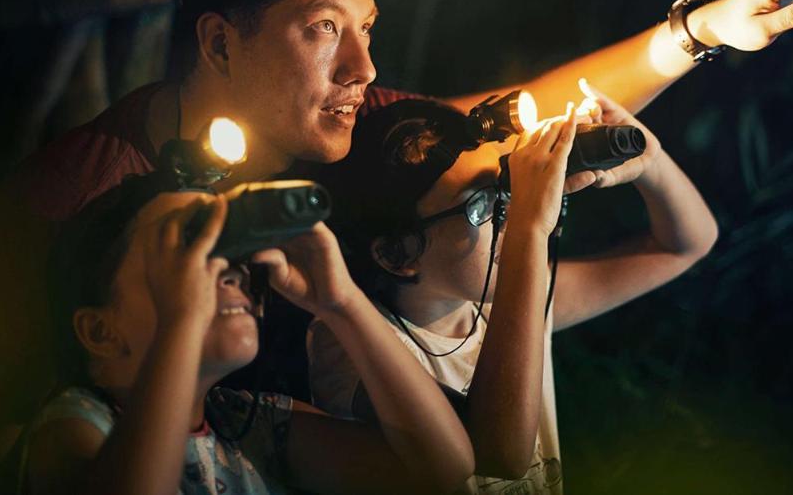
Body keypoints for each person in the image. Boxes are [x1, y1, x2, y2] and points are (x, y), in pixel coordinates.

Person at [0, 0, 793, 428]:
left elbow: (517, 115)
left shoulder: (362, 130)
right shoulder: (80, 193)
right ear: (220, 43)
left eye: (367, 30)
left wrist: (702, 30)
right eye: (324, 30)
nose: (363, 68)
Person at [306, 85, 718, 494]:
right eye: (480, 206)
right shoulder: (348, 342)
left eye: (504, 188)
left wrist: (650, 160)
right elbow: (500, 453)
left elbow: (684, 246)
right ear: (397, 254)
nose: (509, 211)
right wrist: (529, 227)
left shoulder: (496, 298)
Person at [16, 172, 474, 494]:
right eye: (187, 250)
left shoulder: (245, 425)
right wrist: (184, 318)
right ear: (100, 331)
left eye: (227, 250)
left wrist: (341, 302)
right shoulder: (73, 428)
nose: (227, 269)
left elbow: (442, 469)